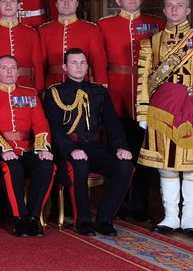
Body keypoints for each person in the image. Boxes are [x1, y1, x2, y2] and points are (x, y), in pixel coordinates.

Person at [137, 0, 193, 239]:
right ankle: (170, 216)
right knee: (166, 166)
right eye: (169, 5)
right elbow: (142, 80)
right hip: (161, 110)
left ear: (188, 9)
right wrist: (142, 110)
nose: (174, 9)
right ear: (164, 10)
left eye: (179, 5)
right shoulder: (151, 43)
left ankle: (189, 219)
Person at [44, 48, 134, 236]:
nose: (79, 67)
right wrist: (70, 149)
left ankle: (104, 219)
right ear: (65, 67)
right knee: (79, 164)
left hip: (95, 148)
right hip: (68, 150)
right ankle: (83, 220)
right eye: (74, 63)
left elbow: (112, 123)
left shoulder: (99, 91)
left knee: (125, 166)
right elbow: (55, 129)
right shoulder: (54, 93)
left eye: (83, 63)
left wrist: (120, 147)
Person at [98, 0, 164, 221]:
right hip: (117, 94)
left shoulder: (156, 24)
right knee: (120, 151)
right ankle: (121, 204)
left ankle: (141, 205)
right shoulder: (105, 25)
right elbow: (99, 59)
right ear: (118, 1)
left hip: (147, 95)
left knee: (143, 155)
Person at [0, 55, 54, 237]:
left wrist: (43, 148)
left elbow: (40, 124)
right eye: (4, 68)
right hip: (3, 149)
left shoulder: (30, 94)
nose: (9, 71)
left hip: (27, 148)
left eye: (13, 68)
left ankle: (33, 218)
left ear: (18, 71)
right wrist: (3, 149)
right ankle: (19, 218)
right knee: (13, 168)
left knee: (46, 166)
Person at [38, 0, 108, 87]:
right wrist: (40, 89)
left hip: (82, 85)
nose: (66, 3)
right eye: (62, 0)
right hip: (52, 85)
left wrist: (101, 86)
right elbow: (40, 65)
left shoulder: (91, 29)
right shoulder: (44, 30)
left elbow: (98, 61)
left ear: (77, 3)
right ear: (56, 4)